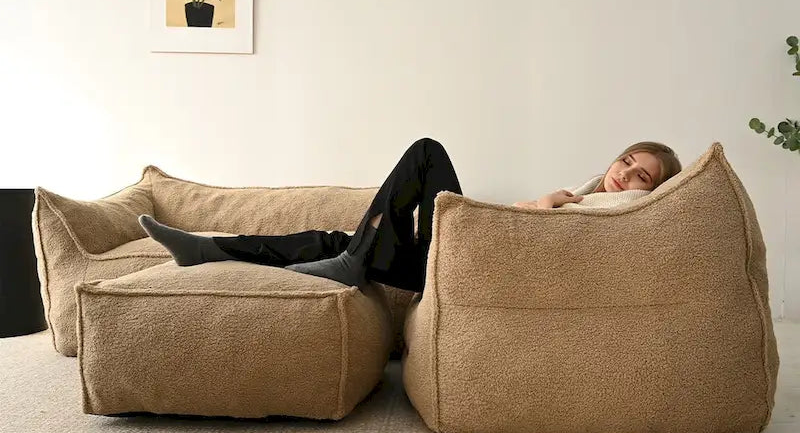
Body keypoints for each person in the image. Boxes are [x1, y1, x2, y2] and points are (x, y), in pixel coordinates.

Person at [139, 137, 682, 295]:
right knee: (329, 239)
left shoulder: (615, 215)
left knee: (427, 153)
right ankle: (205, 249)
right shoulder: (583, 198)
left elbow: (537, 240)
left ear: (652, 191)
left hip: (469, 263)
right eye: (627, 160)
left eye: (643, 175)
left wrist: (546, 204)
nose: (626, 175)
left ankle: (353, 260)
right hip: (454, 253)